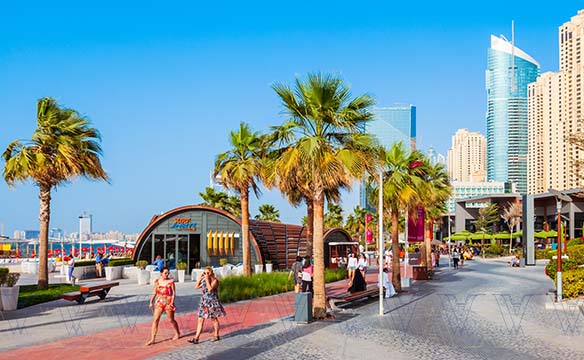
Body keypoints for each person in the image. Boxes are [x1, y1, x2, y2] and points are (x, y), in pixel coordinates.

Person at [188, 266, 226, 344]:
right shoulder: (205, 280)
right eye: (205, 273)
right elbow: (196, 286)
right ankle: (196, 338)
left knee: (213, 319)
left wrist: (207, 279)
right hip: (204, 302)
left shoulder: (215, 280)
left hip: (212, 302)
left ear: (211, 273)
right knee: (200, 319)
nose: (206, 274)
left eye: (208, 273)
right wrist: (200, 279)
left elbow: (210, 289)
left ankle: (216, 335)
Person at [146, 267, 180, 346]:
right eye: (165, 273)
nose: (167, 274)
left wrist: (172, 302)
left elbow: (174, 293)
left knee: (171, 320)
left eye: (168, 273)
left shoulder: (171, 282)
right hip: (159, 302)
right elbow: (154, 292)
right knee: (155, 320)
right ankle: (152, 339)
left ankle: (177, 332)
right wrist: (151, 302)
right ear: (161, 273)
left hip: (168, 302)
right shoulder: (157, 282)